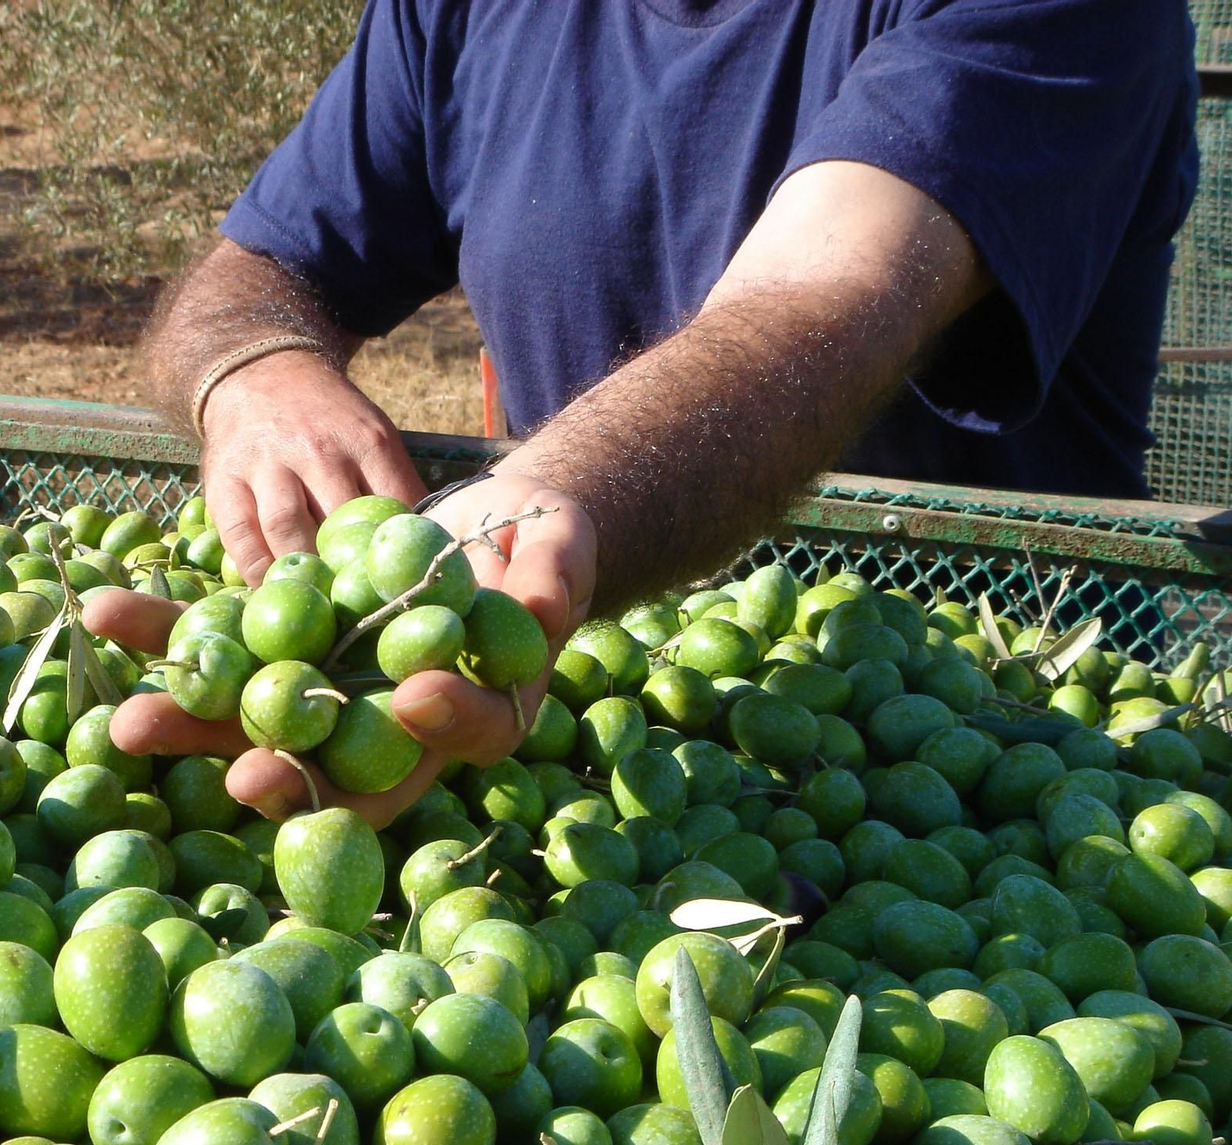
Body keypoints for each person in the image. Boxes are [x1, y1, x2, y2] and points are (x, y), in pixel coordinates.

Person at [86, 0, 1199, 826]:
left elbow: (821, 303)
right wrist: (253, 367)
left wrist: (533, 511)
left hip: (1011, 740)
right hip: (589, 713)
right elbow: (265, 268)